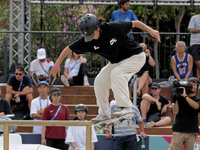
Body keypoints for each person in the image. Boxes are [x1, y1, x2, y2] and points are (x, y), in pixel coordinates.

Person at [51, 13, 160, 123]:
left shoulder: (112, 27)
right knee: (99, 82)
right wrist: (56, 64)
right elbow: (69, 48)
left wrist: (151, 30)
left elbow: (135, 23)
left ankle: (126, 108)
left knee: (117, 73)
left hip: (135, 56)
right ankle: (104, 114)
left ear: (98, 28)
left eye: (92, 34)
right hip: (116, 62)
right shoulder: (87, 40)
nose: (91, 38)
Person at [169, 77, 200, 150]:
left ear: (197, 87)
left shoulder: (198, 100)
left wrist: (185, 96)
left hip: (191, 131)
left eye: (194, 85)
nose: (192, 86)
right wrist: (175, 99)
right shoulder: (180, 98)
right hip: (178, 130)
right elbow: (175, 112)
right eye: (191, 84)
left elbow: (196, 106)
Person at [188, 14, 200, 80]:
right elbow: (191, 30)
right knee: (197, 62)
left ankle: (198, 82)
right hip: (195, 43)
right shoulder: (194, 17)